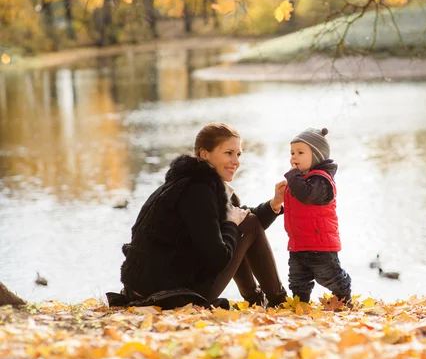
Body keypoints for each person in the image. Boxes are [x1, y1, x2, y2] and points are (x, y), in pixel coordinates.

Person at [116, 123, 288, 308]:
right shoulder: (198, 191)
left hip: (147, 288)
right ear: (204, 154)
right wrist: (231, 224)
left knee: (245, 224)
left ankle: (257, 300)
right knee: (245, 225)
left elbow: (242, 220)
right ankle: (277, 301)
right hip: (170, 294)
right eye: (228, 153)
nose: (236, 161)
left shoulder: (188, 182)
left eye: (238, 154)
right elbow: (219, 258)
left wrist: (274, 204)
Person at [283, 128, 352, 304]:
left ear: (317, 155)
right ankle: (301, 305)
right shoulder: (301, 180)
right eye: (292, 153)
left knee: (330, 277)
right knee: (298, 280)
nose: (294, 157)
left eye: (300, 152)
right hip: (299, 244)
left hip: (320, 246)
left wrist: (292, 176)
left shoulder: (322, 180)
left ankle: (344, 297)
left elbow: (306, 195)